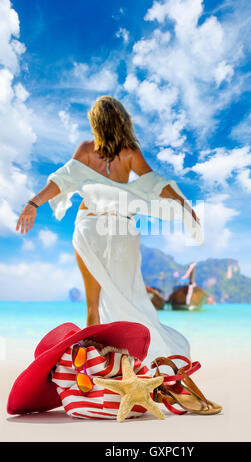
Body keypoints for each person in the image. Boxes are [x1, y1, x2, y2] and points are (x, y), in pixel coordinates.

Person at [15, 96, 202, 366]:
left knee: (93, 304)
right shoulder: (130, 152)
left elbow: (62, 180)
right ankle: (136, 356)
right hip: (121, 230)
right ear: (122, 121)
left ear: (96, 123)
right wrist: (183, 204)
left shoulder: (86, 150)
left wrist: (33, 204)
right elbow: (155, 184)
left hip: (90, 227)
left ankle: (92, 368)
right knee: (130, 295)